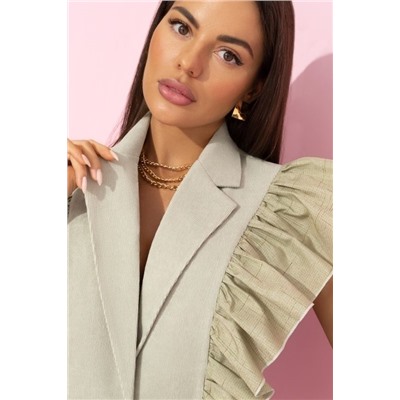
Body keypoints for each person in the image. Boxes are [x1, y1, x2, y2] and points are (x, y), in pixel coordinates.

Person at [67, 1, 333, 399]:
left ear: (254, 86)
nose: (189, 63)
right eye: (181, 28)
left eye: (228, 54)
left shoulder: (287, 212)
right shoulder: (69, 186)